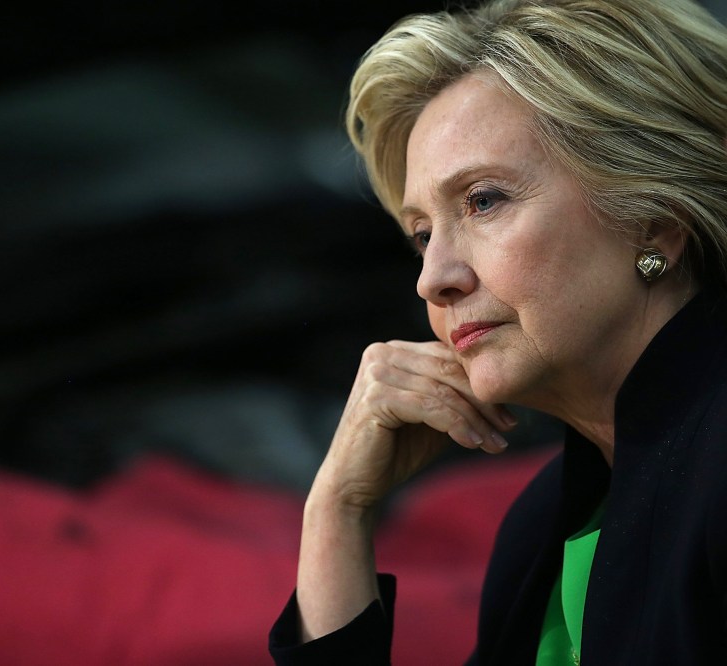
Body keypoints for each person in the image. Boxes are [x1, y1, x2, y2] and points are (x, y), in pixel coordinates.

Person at [268, 0, 727, 663]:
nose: (433, 278)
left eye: (483, 201)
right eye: (422, 235)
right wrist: (337, 509)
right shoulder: (540, 527)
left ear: (654, 220)